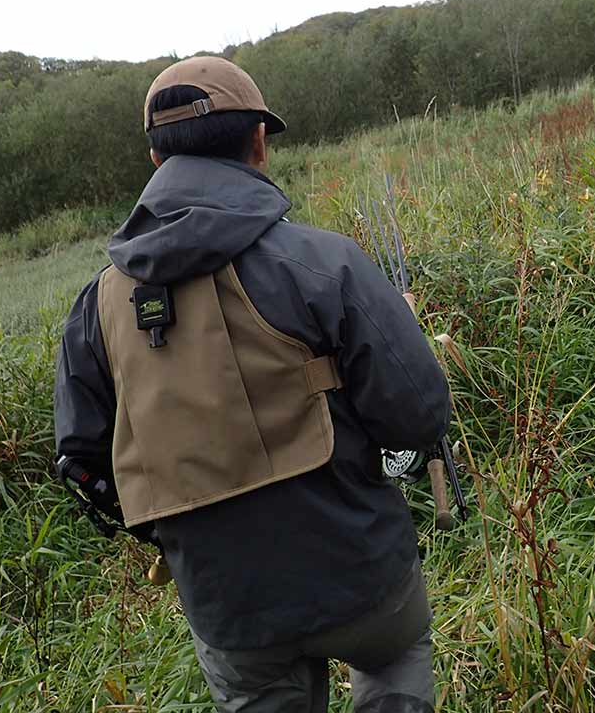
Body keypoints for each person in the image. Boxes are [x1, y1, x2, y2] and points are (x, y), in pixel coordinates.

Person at [52, 56, 450, 713]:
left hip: (226, 605)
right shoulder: (324, 263)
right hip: (362, 575)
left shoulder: (94, 309)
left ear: (156, 159)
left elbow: (85, 464)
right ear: (259, 145)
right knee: (396, 656)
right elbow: (419, 418)